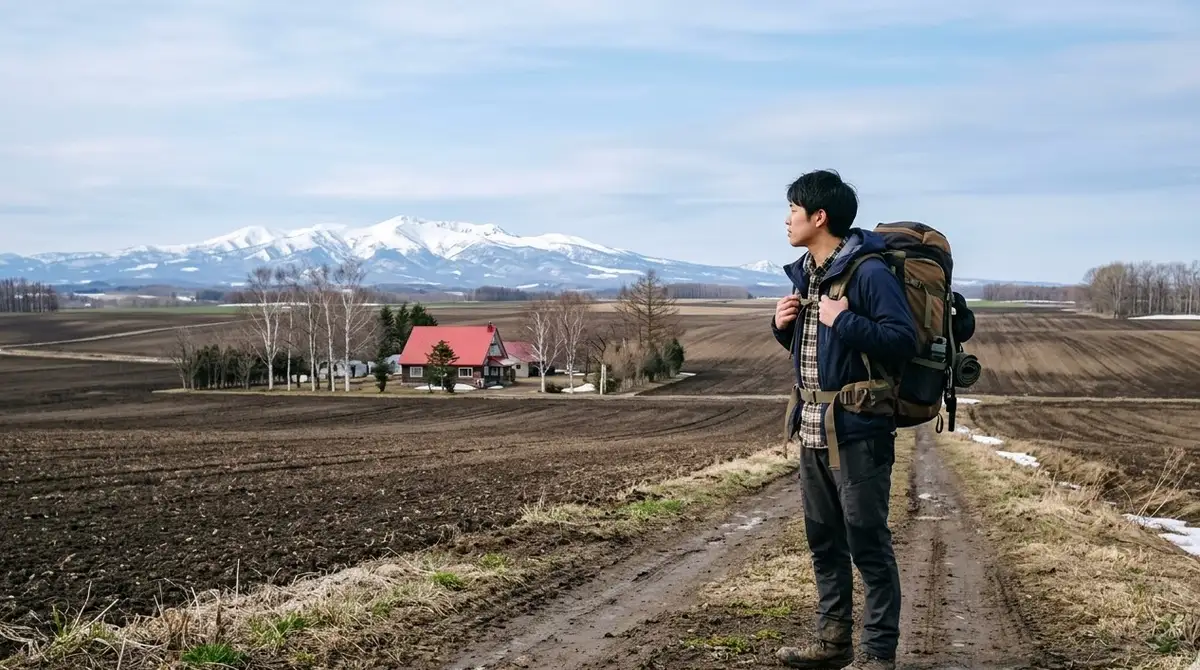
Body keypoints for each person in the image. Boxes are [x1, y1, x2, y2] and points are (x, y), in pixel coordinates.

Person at [770, 170, 918, 670]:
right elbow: (823, 353)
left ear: (819, 217)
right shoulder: (808, 274)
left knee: (867, 542)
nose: (787, 219)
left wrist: (845, 319)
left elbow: (901, 340)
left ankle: (878, 654)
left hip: (859, 431)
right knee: (824, 541)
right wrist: (782, 327)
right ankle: (833, 644)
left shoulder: (869, 273)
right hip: (812, 428)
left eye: (793, 210)